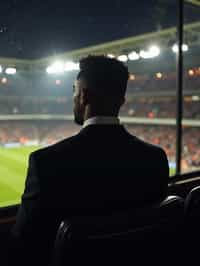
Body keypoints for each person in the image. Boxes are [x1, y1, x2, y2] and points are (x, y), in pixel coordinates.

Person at [10, 55, 169, 265]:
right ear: (122, 101)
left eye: (74, 91)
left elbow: (23, 244)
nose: (73, 98)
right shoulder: (155, 158)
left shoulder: (46, 163)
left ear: (83, 96)